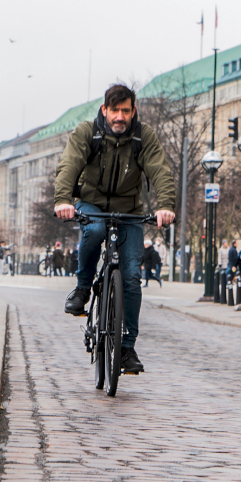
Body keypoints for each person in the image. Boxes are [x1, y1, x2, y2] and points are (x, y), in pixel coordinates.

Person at [55, 83, 176, 374]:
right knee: (95, 230)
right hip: (91, 204)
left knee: (132, 276)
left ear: (133, 111)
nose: (120, 117)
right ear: (104, 110)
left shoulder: (142, 136)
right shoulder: (87, 132)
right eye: (115, 111)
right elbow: (69, 164)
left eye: (126, 111)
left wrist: (166, 205)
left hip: (129, 211)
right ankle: (83, 288)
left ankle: (126, 347)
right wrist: (63, 200)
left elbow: (159, 169)